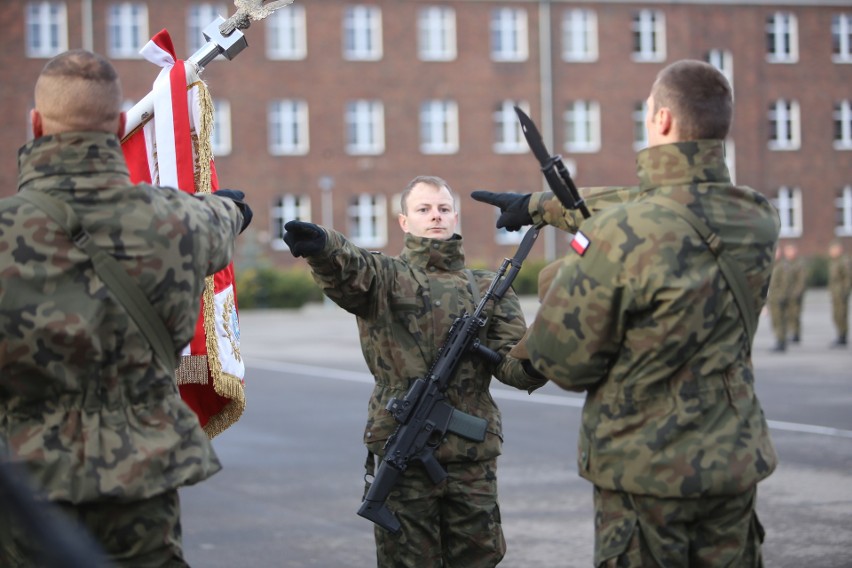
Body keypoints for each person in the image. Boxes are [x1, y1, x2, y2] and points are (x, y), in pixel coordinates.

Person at [474, 60, 778, 566]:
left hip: (646, 476)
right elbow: (657, 202)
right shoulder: (759, 215)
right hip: (733, 462)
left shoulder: (620, 237)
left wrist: (560, 286)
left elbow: (566, 363)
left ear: (660, 120)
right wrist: (541, 204)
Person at [0, 49, 252, 567]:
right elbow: (226, 215)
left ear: (36, 123)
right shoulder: (181, 221)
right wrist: (232, 208)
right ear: (119, 123)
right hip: (142, 483)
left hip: (24, 486)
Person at [283, 175, 546, 568]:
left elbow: (513, 366)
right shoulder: (385, 278)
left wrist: (547, 349)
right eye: (423, 209)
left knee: (480, 558)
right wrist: (323, 246)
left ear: (455, 217)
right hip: (403, 451)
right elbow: (350, 267)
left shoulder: (488, 287)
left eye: (442, 209)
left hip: (471, 460)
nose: (435, 216)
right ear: (404, 221)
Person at [767, 246, 792, 352]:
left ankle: (781, 341)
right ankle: (779, 340)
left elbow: (785, 283)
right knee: (775, 320)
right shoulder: (774, 266)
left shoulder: (783, 266)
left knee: (780, 320)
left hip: (778, 298)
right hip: (773, 298)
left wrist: (781, 296)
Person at [782, 242, 808, 344]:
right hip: (786, 294)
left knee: (795, 315)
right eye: (787, 251)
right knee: (788, 315)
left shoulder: (799, 264)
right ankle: (791, 332)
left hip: (795, 294)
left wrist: (797, 292)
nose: (788, 253)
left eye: (790, 250)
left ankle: (796, 334)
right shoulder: (785, 264)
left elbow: (802, 280)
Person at [827, 240, 851, 347]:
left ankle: (843, 336)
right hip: (835, 294)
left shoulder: (844, 261)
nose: (831, 252)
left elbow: (847, 278)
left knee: (841, 315)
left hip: (841, 293)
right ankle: (840, 334)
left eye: (833, 250)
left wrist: (845, 291)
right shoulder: (834, 262)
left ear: (839, 249)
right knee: (836, 315)